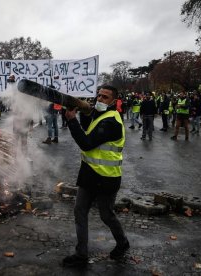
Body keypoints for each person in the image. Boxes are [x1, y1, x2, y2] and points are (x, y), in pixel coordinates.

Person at [62, 85, 129, 268]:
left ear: (114, 101)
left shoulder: (112, 122)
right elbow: (87, 127)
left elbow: (87, 143)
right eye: (98, 95)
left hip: (107, 178)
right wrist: (78, 114)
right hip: (90, 174)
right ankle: (81, 254)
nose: (99, 99)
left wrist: (71, 121)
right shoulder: (100, 115)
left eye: (105, 97)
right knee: (79, 210)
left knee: (106, 215)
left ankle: (122, 242)